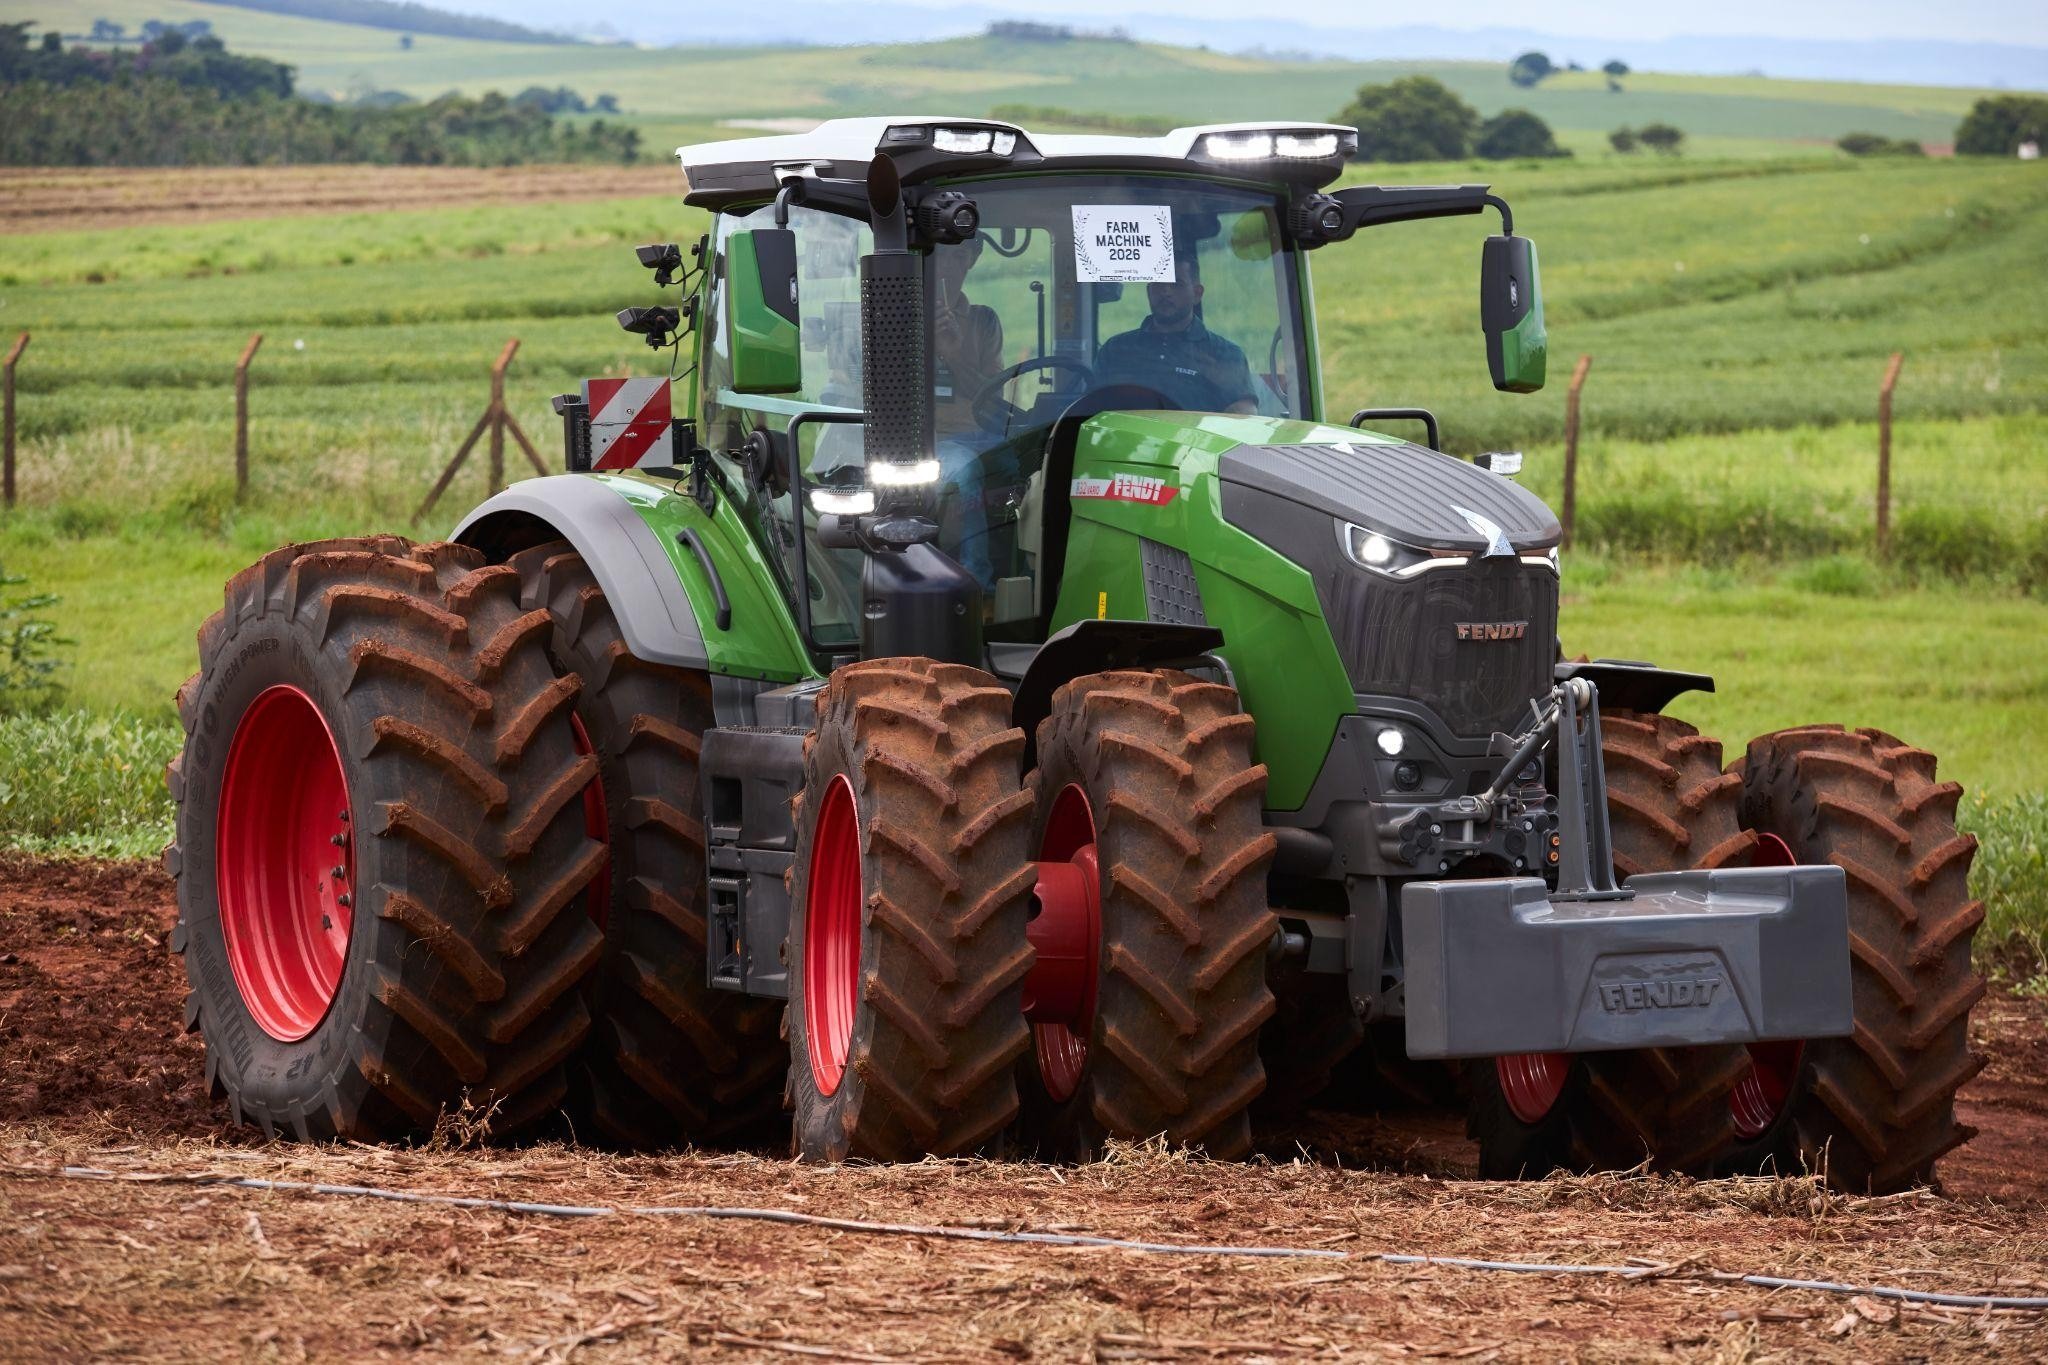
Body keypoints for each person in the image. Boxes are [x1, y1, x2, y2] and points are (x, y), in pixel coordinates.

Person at [1096, 248, 1258, 414]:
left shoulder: (1224, 354)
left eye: (1177, 284)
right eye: (1159, 283)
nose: (1166, 292)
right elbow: (1092, 410)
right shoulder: (1116, 350)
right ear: (1148, 291)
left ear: (1197, 293)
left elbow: (1244, 413)